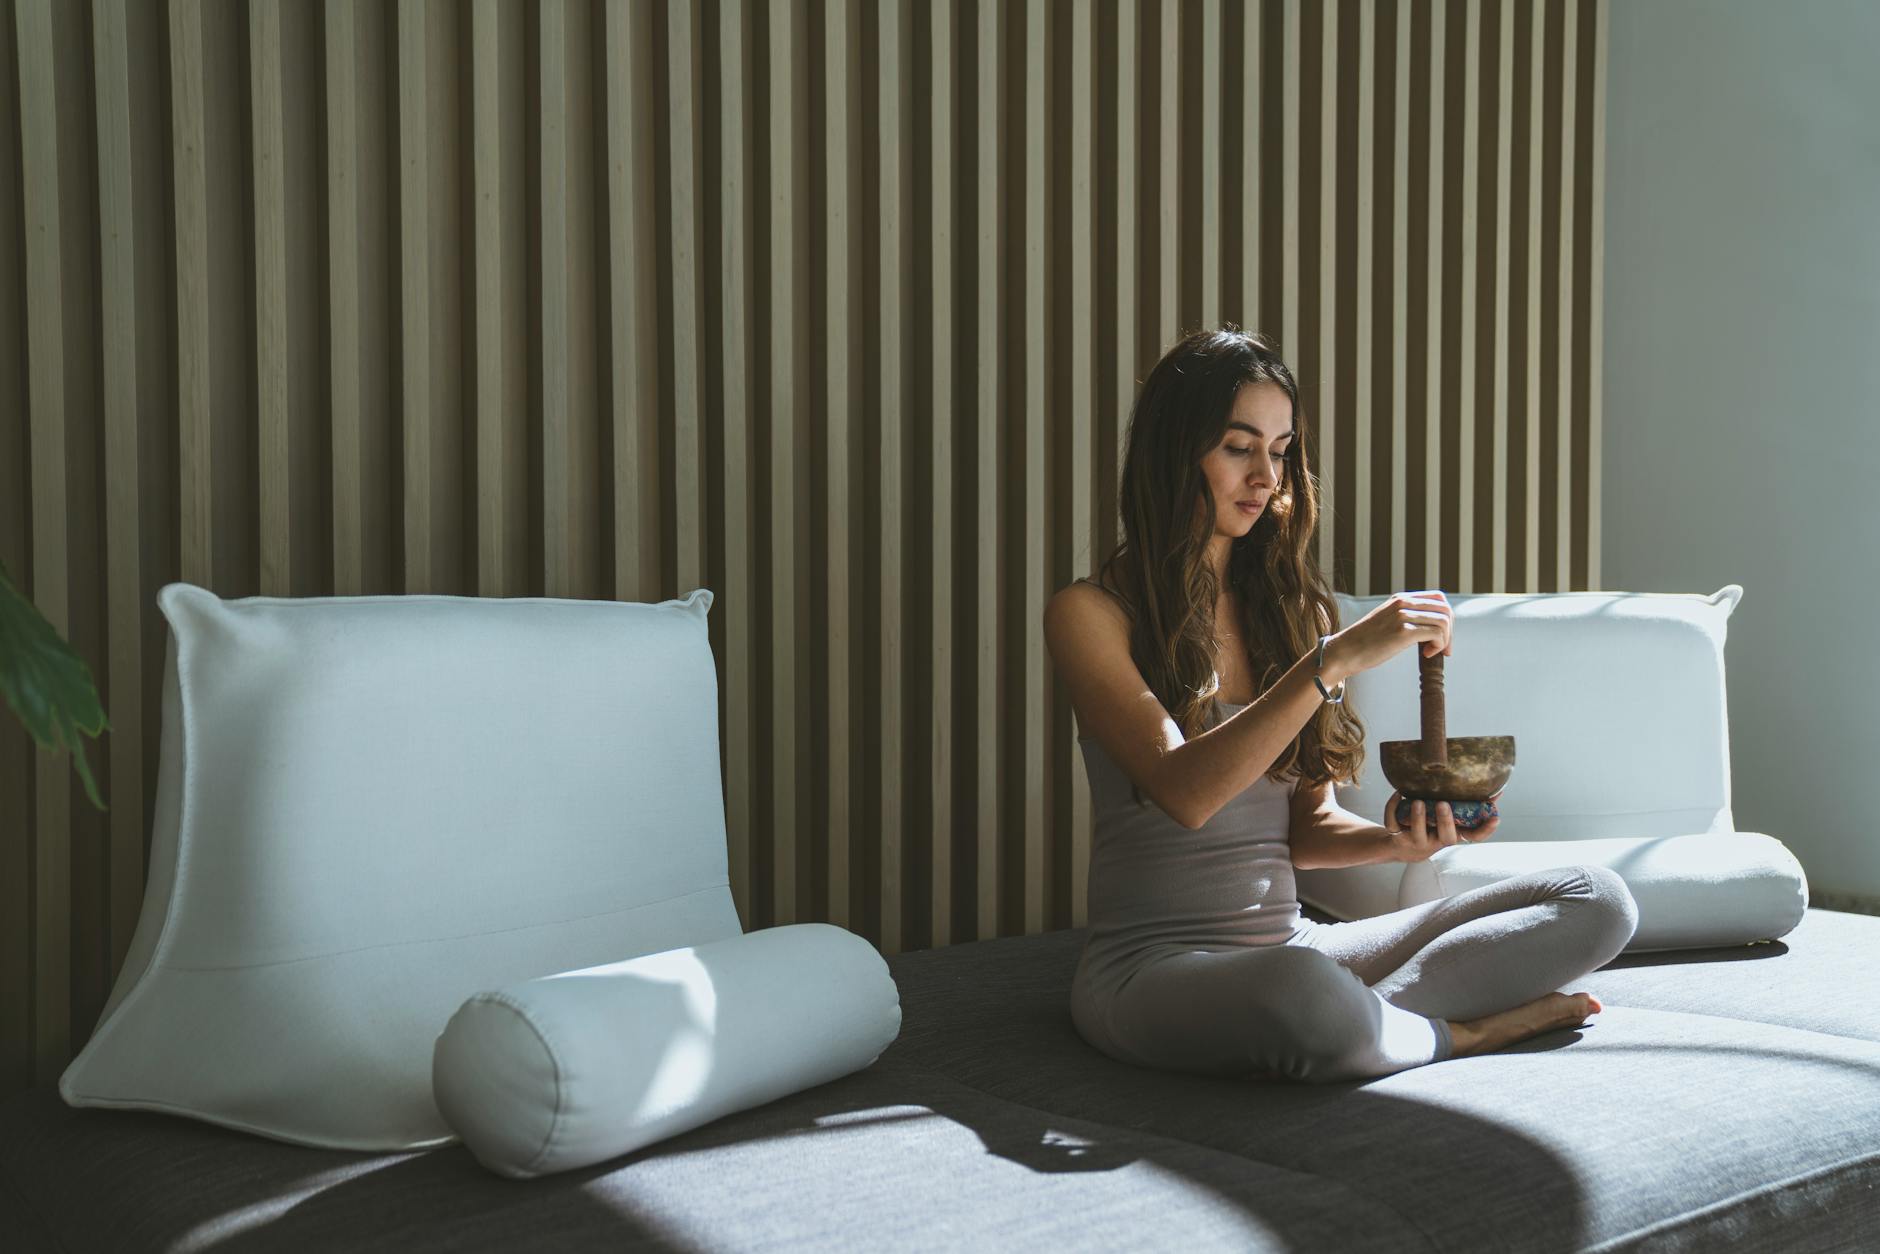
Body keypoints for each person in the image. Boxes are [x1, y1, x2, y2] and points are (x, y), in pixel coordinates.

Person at [1041, 327, 1639, 1082]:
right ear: (1175, 451)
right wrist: (1334, 660)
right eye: (1238, 446)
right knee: (1299, 990)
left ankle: (1362, 1026)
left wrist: (1400, 841)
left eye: (1281, 449)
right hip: (1150, 972)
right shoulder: (1092, 613)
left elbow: (1304, 830)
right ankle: (1461, 1034)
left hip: (1294, 950)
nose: (1266, 476)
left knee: (1598, 899)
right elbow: (1185, 793)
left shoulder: (1290, 616)